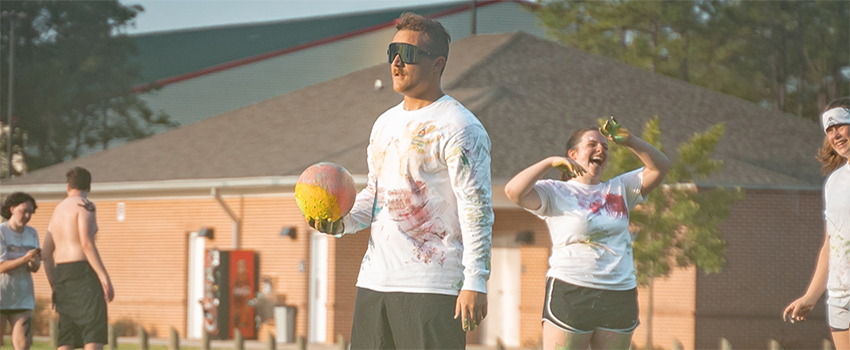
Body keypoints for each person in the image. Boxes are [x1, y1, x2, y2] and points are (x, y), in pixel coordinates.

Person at [307, 12, 493, 349]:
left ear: (437, 64)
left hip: (432, 287)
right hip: (375, 283)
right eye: (393, 51)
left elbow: (476, 209)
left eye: (407, 54)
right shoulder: (384, 124)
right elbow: (375, 196)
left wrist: (476, 280)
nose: (396, 62)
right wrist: (341, 223)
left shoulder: (460, 127)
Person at [504, 118, 670, 350]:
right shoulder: (556, 191)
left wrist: (630, 140)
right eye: (592, 144)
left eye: (605, 147)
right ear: (572, 153)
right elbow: (513, 191)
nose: (601, 149)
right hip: (571, 291)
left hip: (618, 294)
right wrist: (550, 161)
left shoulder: (620, 189)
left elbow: (660, 167)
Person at [783, 97, 850, 349]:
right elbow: (830, 245)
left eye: (841, 126)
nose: (835, 135)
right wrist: (811, 295)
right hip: (839, 296)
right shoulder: (834, 182)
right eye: (829, 130)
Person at [43, 167, 114, 350]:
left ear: (68, 186)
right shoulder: (86, 205)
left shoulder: (57, 210)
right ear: (89, 187)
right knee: (93, 329)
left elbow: (46, 253)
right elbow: (86, 244)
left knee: (68, 332)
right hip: (83, 274)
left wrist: (54, 283)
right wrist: (104, 277)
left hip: (62, 274)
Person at [0, 192, 41, 350]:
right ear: (12, 209)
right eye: (23, 210)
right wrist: (25, 259)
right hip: (2, 296)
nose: (27, 215)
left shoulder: (32, 233)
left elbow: (34, 267)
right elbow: (1, 266)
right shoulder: (2, 232)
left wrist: (34, 263)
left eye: (30, 212)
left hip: (23, 297)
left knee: (23, 345)